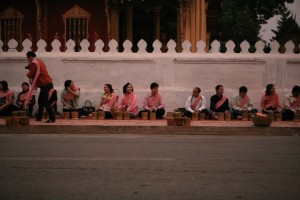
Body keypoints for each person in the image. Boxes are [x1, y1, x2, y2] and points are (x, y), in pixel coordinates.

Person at [25, 51, 55, 123]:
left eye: (27, 58)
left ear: (30, 57)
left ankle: (52, 118)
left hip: (45, 84)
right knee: (40, 101)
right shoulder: (39, 61)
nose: (27, 59)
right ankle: (39, 117)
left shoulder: (34, 63)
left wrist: (28, 72)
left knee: (44, 101)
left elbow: (31, 74)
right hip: (47, 83)